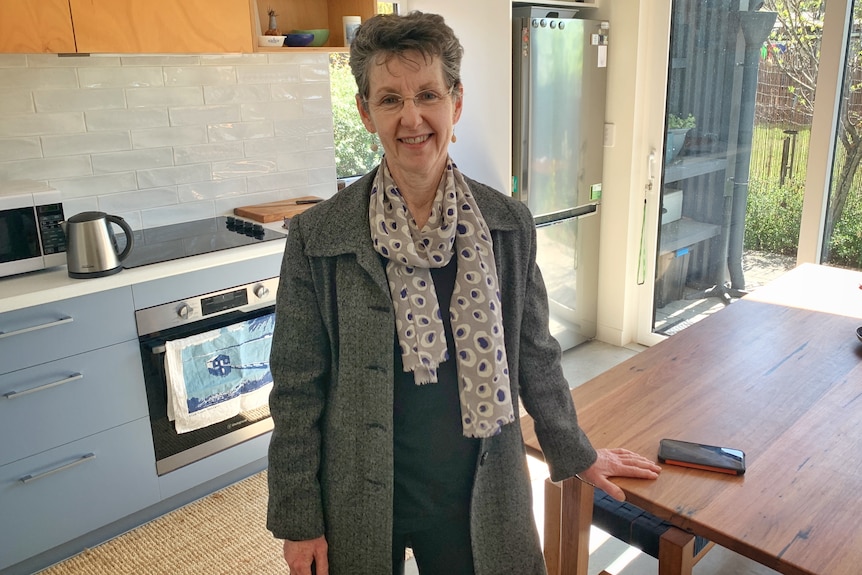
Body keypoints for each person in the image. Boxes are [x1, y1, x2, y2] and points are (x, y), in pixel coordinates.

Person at [266, 11, 661, 575]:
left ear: (456, 102)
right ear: (365, 112)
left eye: (427, 94)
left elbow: (535, 354)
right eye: (389, 99)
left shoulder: (507, 224)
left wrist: (573, 449)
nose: (412, 117)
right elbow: (297, 387)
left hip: (476, 484)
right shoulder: (319, 236)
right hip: (359, 490)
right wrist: (298, 518)